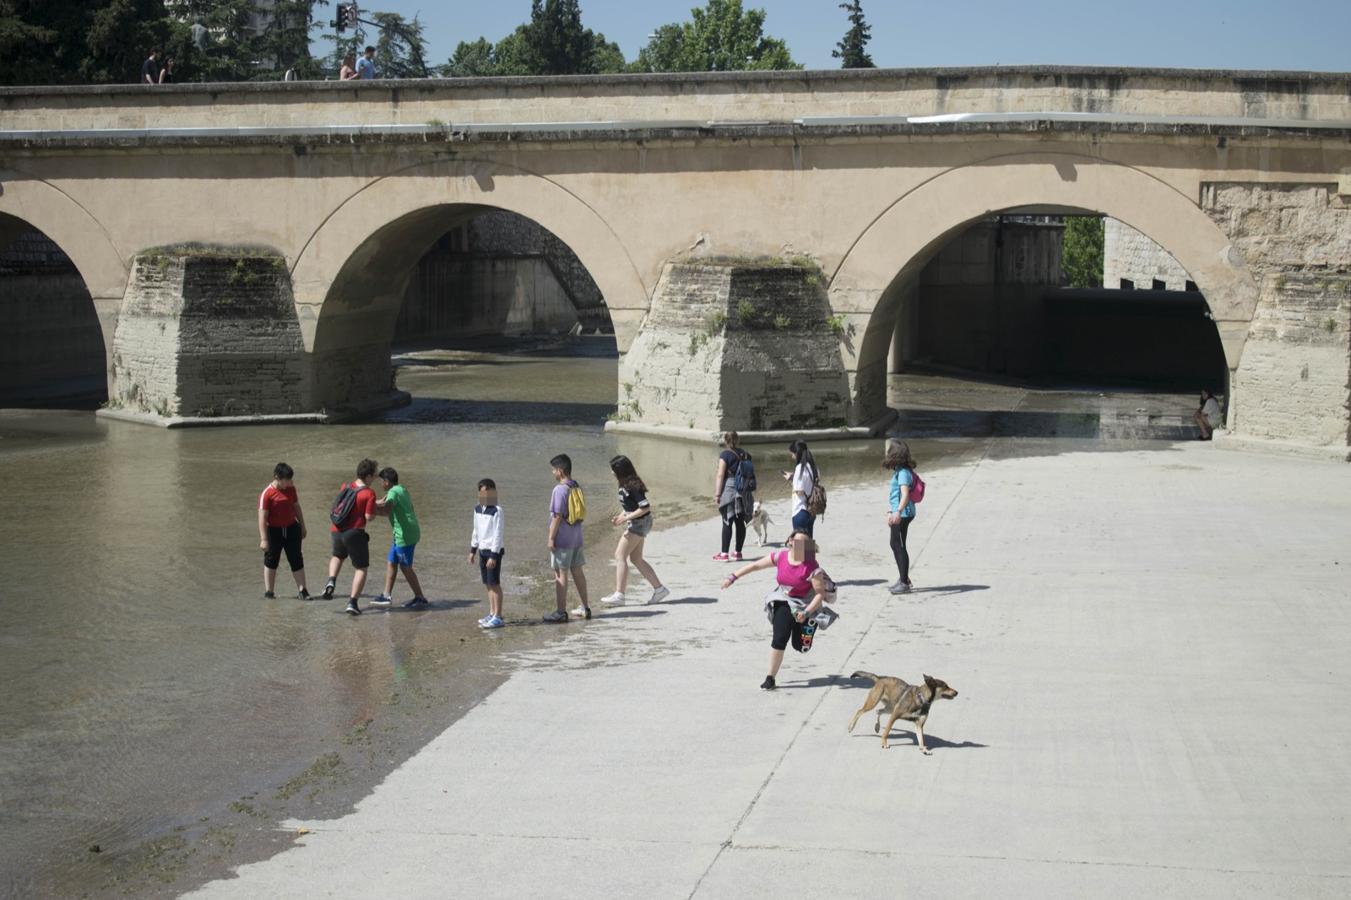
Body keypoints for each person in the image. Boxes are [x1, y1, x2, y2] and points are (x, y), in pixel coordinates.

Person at [721, 530, 837, 691]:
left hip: (805, 605)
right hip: (784, 600)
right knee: (779, 638)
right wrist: (733, 577)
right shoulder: (780, 557)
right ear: (790, 541)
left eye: (804, 544)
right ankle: (770, 677)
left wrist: (807, 612)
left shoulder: (811, 566)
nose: (801, 547)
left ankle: (810, 625)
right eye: (798, 542)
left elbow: (820, 594)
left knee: (800, 646)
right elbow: (755, 565)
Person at [600, 455, 671, 607]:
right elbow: (629, 507)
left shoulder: (632, 485)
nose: (611, 472)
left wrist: (626, 519)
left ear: (619, 470)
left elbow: (645, 507)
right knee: (636, 558)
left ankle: (619, 594)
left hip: (640, 523)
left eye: (613, 470)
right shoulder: (624, 484)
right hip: (638, 522)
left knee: (619, 555)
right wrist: (620, 517)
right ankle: (660, 590)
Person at [324, 458, 379, 616]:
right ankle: (352, 603)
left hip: (336, 529)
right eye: (374, 476)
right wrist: (375, 509)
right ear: (368, 476)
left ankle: (331, 580)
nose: (375, 479)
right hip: (354, 533)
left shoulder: (345, 486)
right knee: (361, 568)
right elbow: (368, 516)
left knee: (337, 556)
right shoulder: (369, 493)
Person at [372, 467, 426, 609]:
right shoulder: (401, 489)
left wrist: (370, 511)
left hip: (404, 535)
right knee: (391, 562)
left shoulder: (393, 493)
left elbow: (385, 510)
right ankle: (386, 596)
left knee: (405, 567)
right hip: (405, 533)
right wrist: (367, 501)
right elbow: (382, 502)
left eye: (382, 482)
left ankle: (420, 597)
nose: (381, 485)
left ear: (387, 482)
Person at [545, 453, 589, 622]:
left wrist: (551, 538)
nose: (553, 473)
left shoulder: (559, 489)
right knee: (578, 572)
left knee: (560, 573)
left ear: (561, 470)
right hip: (577, 537)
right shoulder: (576, 486)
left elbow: (557, 516)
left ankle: (561, 612)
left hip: (562, 540)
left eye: (554, 470)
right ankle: (586, 607)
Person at [257, 462, 310, 600]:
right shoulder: (267, 494)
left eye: (291, 479)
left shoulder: (291, 489)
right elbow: (262, 518)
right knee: (271, 559)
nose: (290, 482)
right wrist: (263, 539)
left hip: (292, 528)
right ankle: (269, 592)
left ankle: (302, 590)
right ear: (277, 477)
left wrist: (303, 526)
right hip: (274, 531)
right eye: (287, 479)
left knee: (296, 558)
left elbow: (297, 507)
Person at [713, 431, 755, 561]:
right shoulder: (746, 454)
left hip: (730, 489)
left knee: (727, 521)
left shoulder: (725, 454)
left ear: (726, 441)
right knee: (740, 522)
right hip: (744, 491)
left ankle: (724, 554)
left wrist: (717, 494)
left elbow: (720, 474)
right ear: (738, 440)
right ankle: (738, 553)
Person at [470, 478, 506, 629]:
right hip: (482, 550)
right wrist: (473, 550)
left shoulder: (497, 510)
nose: (483, 495)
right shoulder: (477, 509)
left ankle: (498, 616)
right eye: (481, 492)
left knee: (494, 583)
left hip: (493, 552)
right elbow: (476, 530)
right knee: (487, 583)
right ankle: (491, 613)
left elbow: (498, 534)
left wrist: (493, 555)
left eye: (486, 492)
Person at [884, 440, 918, 594]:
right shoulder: (900, 470)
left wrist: (897, 511)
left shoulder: (903, 473)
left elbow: (904, 495)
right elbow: (895, 495)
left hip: (903, 514)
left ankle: (904, 581)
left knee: (898, 545)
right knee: (897, 544)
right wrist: (890, 511)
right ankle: (904, 578)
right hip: (900, 513)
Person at [782, 439, 819, 537]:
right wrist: (793, 477)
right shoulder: (813, 467)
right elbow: (809, 483)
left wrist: (792, 482)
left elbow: (799, 491)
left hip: (800, 510)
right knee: (808, 547)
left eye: (793, 454)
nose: (792, 457)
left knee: (799, 549)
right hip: (811, 510)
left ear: (797, 453)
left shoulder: (800, 468)